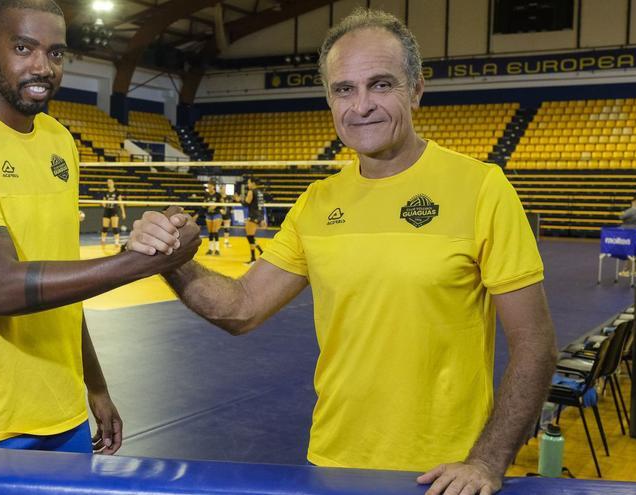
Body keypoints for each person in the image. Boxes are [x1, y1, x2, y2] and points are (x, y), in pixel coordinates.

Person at [129, 8, 557, 495]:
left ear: (416, 89)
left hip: (444, 475)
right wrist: (171, 258)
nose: (361, 106)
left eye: (381, 84)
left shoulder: (481, 188)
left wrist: (486, 461)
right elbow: (240, 307)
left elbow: (534, 343)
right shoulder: (317, 203)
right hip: (332, 465)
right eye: (344, 89)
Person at [0, 0, 199, 456]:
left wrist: (94, 383)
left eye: (55, 53)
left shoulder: (61, 141)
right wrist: (137, 262)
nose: (42, 66)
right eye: (23, 47)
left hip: (62, 415)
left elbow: (59, 281)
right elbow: (0, 289)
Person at [242, 177, 265, 264]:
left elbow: (246, 204)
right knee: (251, 237)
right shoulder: (260, 192)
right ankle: (260, 252)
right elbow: (261, 205)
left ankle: (253, 258)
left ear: (253, 183)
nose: (248, 185)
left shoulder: (251, 191)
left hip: (253, 216)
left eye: (249, 183)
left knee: (250, 237)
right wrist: (262, 218)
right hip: (258, 215)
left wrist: (238, 199)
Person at [101, 178, 126, 248]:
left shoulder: (117, 192)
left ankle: (117, 242)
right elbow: (103, 201)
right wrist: (103, 203)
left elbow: (121, 203)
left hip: (114, 211)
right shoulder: (106, 192)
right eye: (108, 182)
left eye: (110, 182)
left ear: (113, 183)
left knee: (115, 228)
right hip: (107, 211)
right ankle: (103, 241)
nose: (109, 183)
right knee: (104, 228)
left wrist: (123, 212)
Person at [199, 181, 222, 255]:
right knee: (210, 232)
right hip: (209, 214)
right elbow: (204, 204)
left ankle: (217, 249)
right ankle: (210, 249)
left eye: (210, 187)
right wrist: (206, 206)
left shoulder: (218, 195)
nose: (208, 188)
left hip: (216, 214)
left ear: (213, 186)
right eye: (208, 187)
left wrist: (215, 206)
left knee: (215, 231)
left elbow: (221, 204)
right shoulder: (206, 195)